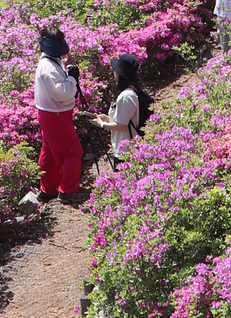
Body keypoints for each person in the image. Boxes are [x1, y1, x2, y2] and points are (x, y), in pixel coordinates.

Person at [33, 28, 84, 201]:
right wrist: (72, 79)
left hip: (49, 113)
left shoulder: (48, 61)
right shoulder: (48, 67)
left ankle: (49, 188)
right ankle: (67, 190)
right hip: (56, 114)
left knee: (49, 151)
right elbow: (61, 92)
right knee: (72, 151)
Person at [88, 55, 152, 171]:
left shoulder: (126, 96)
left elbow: (121, 125)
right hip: (126, 150)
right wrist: (107, 119)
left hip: (126, 152)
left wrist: (101, 124)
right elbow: (124, 119)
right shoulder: (130, 92)